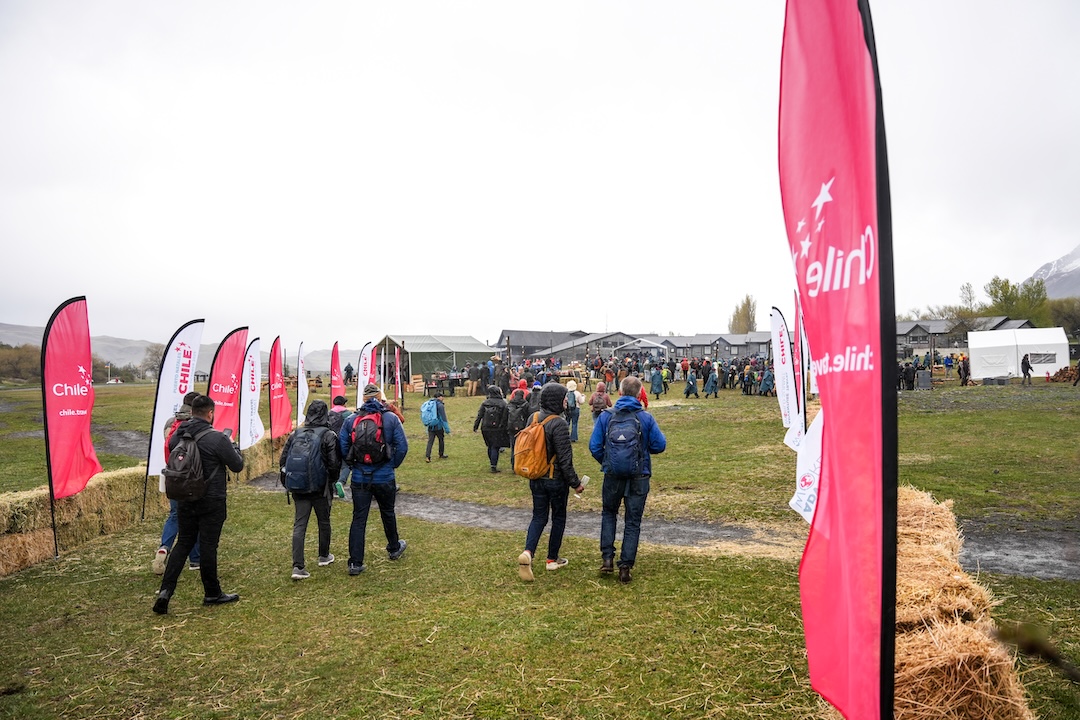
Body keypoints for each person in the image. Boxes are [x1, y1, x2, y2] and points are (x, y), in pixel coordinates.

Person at [153, 395, 245, 614]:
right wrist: (234, 447)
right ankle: (212, 592)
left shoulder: (178, 435)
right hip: (211, 498)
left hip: (185, 497)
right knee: (208, 545)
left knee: (183, 542)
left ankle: (165, 591)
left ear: (192, 411)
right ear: (210, 413)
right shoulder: (217, 439)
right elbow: (237, 466)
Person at [589, 376, 666, 584]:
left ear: (620, 392)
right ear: (640, 394)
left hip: (613, 474)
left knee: (609, 513)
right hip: (639, 475)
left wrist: (607, 462)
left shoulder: (606, 416)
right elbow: (660, 445)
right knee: (633, 521)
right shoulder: (646, 418)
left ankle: (607, 558)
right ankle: (625, 566)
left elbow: (594, 447)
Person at [517, 383, 585, 581]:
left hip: (535, 476)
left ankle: (528, 552)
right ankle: (551, 560)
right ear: (557, 400)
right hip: (555, 480)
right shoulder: (560, 424)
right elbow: (565, 460)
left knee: (538, 516)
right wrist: (576, 483)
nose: (566, 401)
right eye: (564, 398)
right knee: (558, 517)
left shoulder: (533, 417)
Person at [339, 384, 409, 576]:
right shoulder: (390, 418)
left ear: (363, 399)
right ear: (379, 397)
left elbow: (343, 447)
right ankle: (394, 548)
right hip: (384, 476)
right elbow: (402, 446)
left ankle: (355, 562)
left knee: (359, 518)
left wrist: (354, 465)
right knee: (388, 512)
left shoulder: (351, 420)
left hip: (360, 477)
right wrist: (391, 464)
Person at [279, 400, 341, 580]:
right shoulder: (328, 435)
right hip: (320, 487)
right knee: (324, 521)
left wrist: (288, 480)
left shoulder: (296, 433)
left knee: (299, 525)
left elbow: (283, 460)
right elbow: (334, 462)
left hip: (298, 485)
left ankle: (298, 565)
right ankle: (324, 555)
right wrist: (332, 481)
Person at [154, 391, 202, 574]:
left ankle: (164, 546)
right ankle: (195, 559)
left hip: (171, 473)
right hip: (190, 476)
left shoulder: (170, 422)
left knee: (174, 514)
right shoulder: (196, 425)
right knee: (195, 517)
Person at [473, 385, 510, 473]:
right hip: (497, 428)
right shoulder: (503, 403)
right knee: (495, 446)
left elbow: (480, 415)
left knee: (489, 445)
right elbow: (505, 417)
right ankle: (493, 465)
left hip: (485, 427)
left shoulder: (485, 402)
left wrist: (476, 426)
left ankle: (492, 463)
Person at [424, 391, 450, 462]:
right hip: (438, 426)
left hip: (430, 426)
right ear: (439, 397)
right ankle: (441, 454)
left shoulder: (429, 403)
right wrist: (447, 428)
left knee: (430, 441)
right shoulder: (440, 405)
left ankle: (427, 456)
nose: (443, 398)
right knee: (441, 439)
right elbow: (443, 418)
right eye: (442, 396)